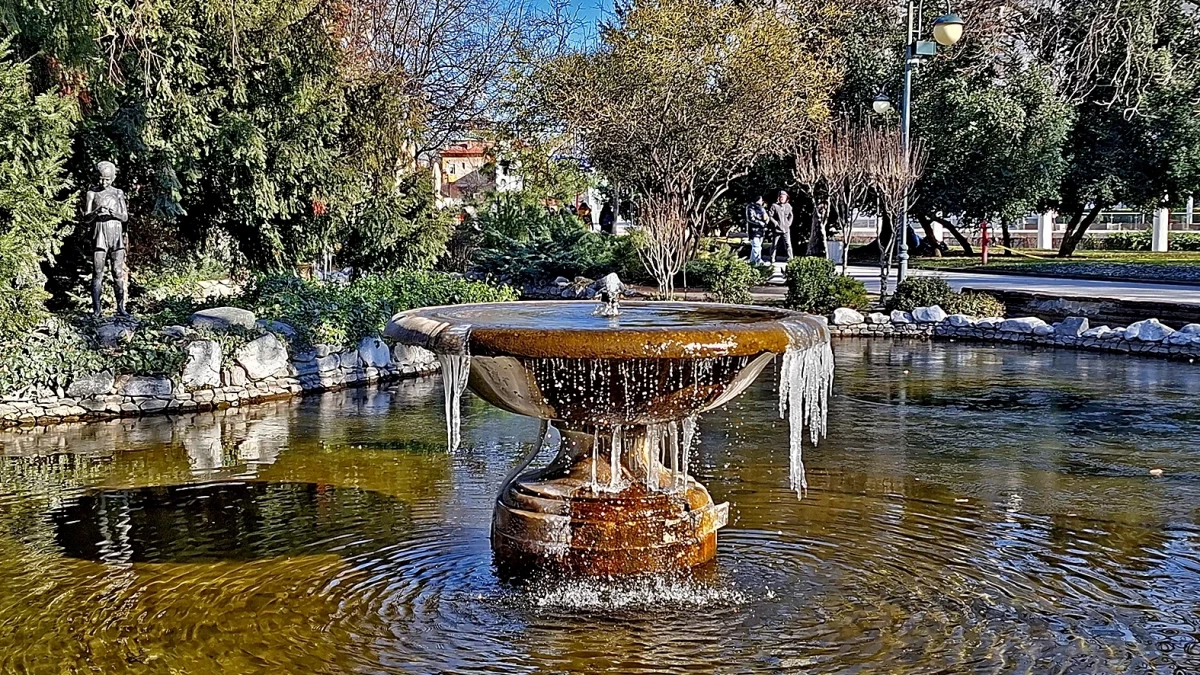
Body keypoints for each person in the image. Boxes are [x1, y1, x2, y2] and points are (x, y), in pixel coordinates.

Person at [84, 161, 130, 318]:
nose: (104, 182)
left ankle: (121, 308)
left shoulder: (118, 193)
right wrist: (97, 212)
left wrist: (112, 213)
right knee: (97, 273)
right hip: (100, 235)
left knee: (117, 272)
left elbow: (124, 217)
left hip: (116, 234)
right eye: (101, 179)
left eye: (107, 179)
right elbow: (86, 218)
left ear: (113, 178)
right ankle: (97, 311)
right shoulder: (92, 193)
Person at [768, 190, 794, 263]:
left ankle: (790, 259)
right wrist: (775, 223)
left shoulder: (788, 206)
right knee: (774, 244)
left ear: (786, 198)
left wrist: (789, 223)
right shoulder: (774, 206)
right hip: (777, 230)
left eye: (784, 197)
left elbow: (791, 215)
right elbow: (770, 216)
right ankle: (772, 258)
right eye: (781, 197)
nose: (782, 198)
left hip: (786, 229)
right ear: (778, 198)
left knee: (788, 244)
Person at [745, 195, 770, 264]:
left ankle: (753, 261)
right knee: (756, 246)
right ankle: (757, 261)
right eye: (761, 200)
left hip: (761, 230)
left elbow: (765, 216)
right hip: (754, 230)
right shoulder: (750, 207)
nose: (762, 201)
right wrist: (760, 223)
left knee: (758, 247)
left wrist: (767, 220)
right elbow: (751, 218)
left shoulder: (762, 208)